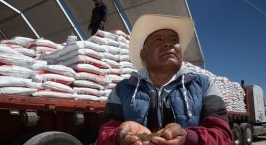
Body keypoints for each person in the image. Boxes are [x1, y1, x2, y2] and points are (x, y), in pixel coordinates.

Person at [96, 14, 233, 145]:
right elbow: (104, 134)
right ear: (144, 54)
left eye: (174, 40)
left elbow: (223, 135)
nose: (168, 44)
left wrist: (188, 137)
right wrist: (118, 137)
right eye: (158, 40)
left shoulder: (205, 85)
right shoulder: (122, 90)